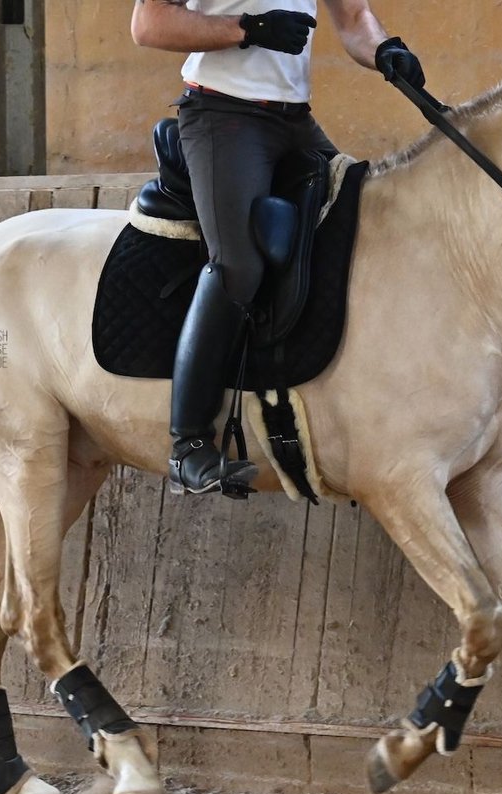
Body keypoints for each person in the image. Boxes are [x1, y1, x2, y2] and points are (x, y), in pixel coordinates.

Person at [131, 0, 428, 495]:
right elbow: (148, 23)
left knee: (361, 229)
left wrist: (385, 50)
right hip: (222, 115)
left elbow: (354, 19)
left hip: (293, 122)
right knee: (239, 266)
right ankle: (189, 444)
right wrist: (247, 29)